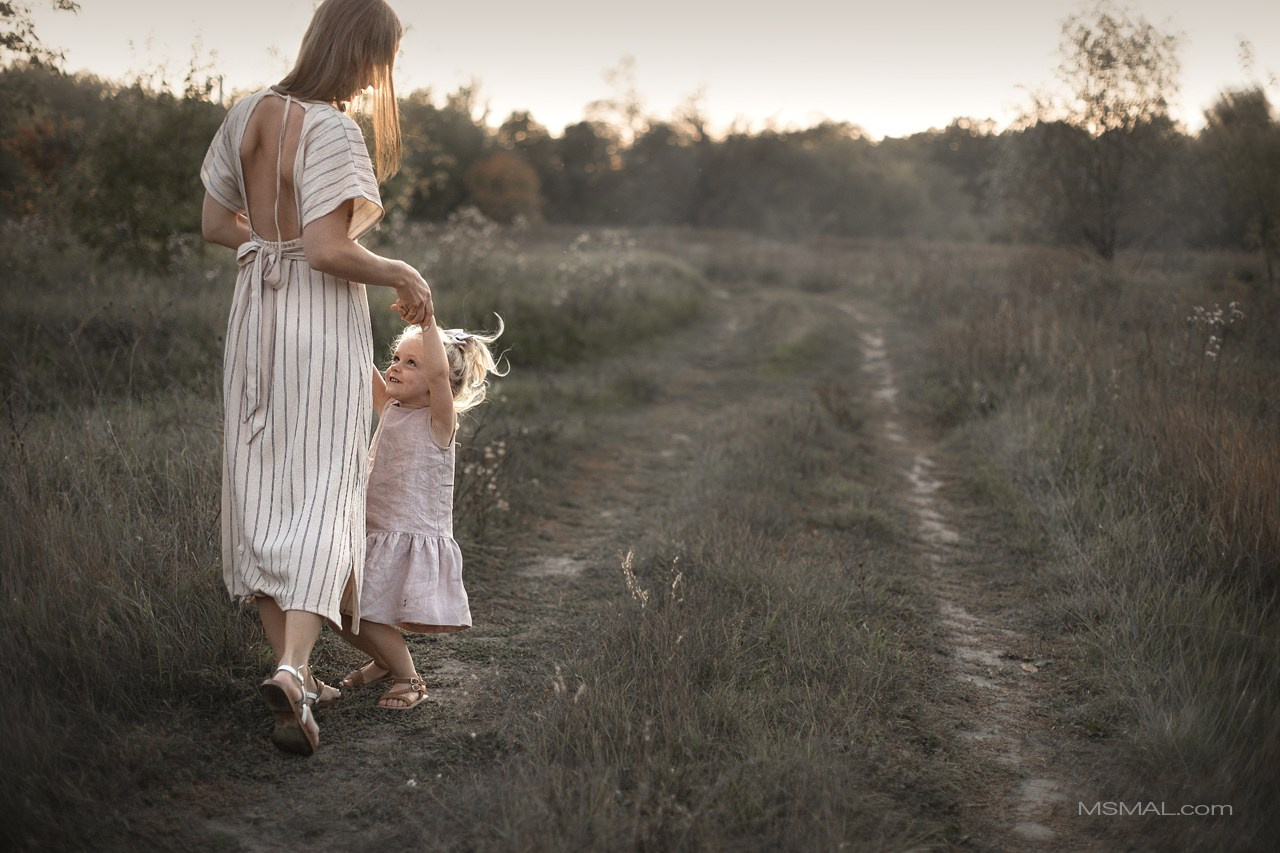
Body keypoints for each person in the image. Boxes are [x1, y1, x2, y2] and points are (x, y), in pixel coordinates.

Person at [199, 0, 433, 756]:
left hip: (254, 316)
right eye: (378, 60)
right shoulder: (333, 128)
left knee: (264, 490)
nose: (375, 79)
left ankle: (294, 681)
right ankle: (296, 671)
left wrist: (272, 247)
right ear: (360, 51)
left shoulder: (247, 111)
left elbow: (214, 224)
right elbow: (331, 249)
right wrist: (398, 267)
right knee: (326, 490)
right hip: (316, 322)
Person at [331, 318, 504, 710]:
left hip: (408, 532)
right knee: (338, 612)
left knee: (367, 613)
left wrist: (426, 321)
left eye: (412, 363)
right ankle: (383, 661)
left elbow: (441, 375)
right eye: (395, 358)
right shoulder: (391, 407)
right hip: (372, 530)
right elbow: (362, 362)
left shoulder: (439, 421)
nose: (395, 367)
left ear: (437, 383)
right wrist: (344, 311)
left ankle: (409, 676)